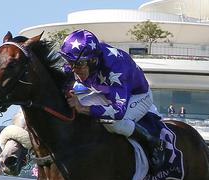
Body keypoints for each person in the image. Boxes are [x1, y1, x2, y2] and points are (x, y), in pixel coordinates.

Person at [59, 29, 164, 172]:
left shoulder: (116, 66)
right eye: (69, 62)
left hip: (138, 96)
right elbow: (65, 82)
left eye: (78, 65)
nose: (72, 69)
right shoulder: (77, 59)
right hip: (105, 93)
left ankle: (151, 140)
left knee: (113, 123)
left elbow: (118, 111)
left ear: (93, 60)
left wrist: (82, 108)